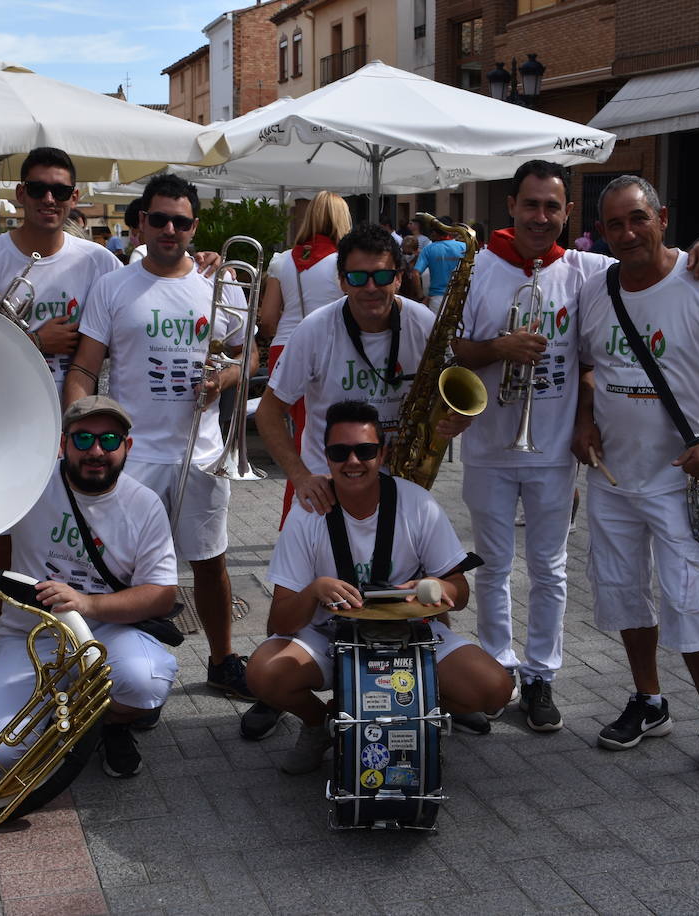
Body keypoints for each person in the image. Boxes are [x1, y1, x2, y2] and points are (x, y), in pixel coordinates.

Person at [453, 160, 699, 735]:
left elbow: (650, 252)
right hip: (488, 443)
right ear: (511, 206)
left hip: (552, 446)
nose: (541, 217)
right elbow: (452, 349)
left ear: (569, 214)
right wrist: (499, 346)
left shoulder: (584, 268)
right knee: (494, 566)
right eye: (531, 205)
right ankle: (497, 671)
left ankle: (540, 674)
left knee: (550, 568)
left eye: (553, 207)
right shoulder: (476, 267)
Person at [572, 175, 699, 791]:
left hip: (684, 482)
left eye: (638, 219)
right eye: (614, 224)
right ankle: (649, 700)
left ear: (662, 217)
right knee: (625, 593)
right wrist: (584, 421)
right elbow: (587, 365)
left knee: (691, 601)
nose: (628, 233)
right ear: (601, 231)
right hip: (613, 479)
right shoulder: (596, 288)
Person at [252, 223, 473, 739]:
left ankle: (429, 687)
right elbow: (270, 411)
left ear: (400, 276)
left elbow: (453, 395)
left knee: (419, 587)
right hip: (324, 485)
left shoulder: (422, 323)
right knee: (294, 590)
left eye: (382, 276)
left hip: (400, 482)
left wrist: (455, 421)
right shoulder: (315, 329)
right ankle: (283, 694)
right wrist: (302, 475)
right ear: (341, 278)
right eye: (358, 276)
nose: (371, 288)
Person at [245, 400, 515, 774]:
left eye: (366, 451)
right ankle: (321, 724)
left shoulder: (416, 502)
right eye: (340, 452)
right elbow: (279, 623)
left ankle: (412, 718)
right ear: (326, 457)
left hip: (408, 634)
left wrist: (435, 587)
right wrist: (313, 591)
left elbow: (460, 592)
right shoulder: (307, 511)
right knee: (264, 672)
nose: (353, 461)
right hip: (331, 634)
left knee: (494, 688)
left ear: (382, 452)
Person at [65, 173, 256, 698]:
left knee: (210, 562)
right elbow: (84, 368)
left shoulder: (220, 281)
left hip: (202, 452)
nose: (170, 228)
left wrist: (226, 378)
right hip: (133, 454)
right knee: (119, 569)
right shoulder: (113, 286)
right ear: (142, 222)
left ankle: (222, 660)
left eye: (181, 220)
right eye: (159, 218)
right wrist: (77, 428)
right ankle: (117, 678)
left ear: (195, 227)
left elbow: (251, 353)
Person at [0, 396, 178, 778]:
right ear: (63, 444)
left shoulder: (144, 504)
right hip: (32, 634)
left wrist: (87, 604)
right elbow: (0, 542)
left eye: (109, 440)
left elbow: (162, 594)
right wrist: (4, 625)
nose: (96, 450)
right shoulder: (29, 483)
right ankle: (70, 713)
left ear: (127, 447)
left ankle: (104, 723)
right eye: (82, 440)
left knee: (145, 684)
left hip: (107, 629)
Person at [0, 147, 121, 394]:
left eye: (60, 191)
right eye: (37, 189)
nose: (49, 199)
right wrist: (38, 341)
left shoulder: (101, 261)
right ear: (21, 193)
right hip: (3, 405)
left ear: (74, 197)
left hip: (77, 417)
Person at [257, 189, 350, 525]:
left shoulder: (281, 259)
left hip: (284, 348)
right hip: (327, 349)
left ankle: (297, 517)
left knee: (299, 437)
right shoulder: (344, 262)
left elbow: (267, 320)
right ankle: (300, 517)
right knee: (314, 439)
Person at [414, 216, 466, 313]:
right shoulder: (464, 247)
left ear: (435, 232)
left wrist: (421, 297)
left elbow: (415, 274)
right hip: (460, 298)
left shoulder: (428, 249)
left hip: (436, 300)